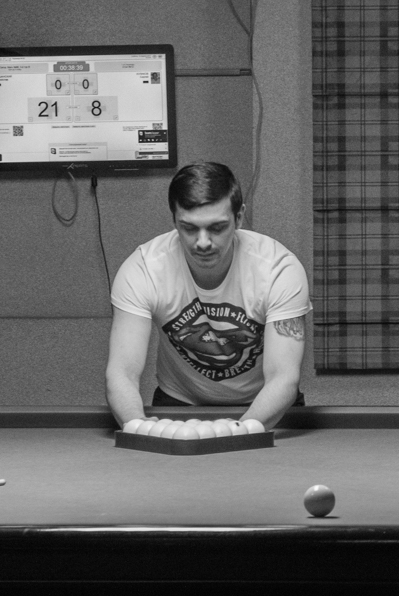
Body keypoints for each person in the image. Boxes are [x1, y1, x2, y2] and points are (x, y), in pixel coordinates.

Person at [105, 161, 312, 431]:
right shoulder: (144, 269)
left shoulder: (278, 270)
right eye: (189, 228)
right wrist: (137, 426)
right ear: (174, 220)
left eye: (217, 228)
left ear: (239, 218)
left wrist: (237, 432)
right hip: (178, 402)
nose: (203, 242)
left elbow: (283, 378)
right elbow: (122, 373)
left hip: (267, 403)